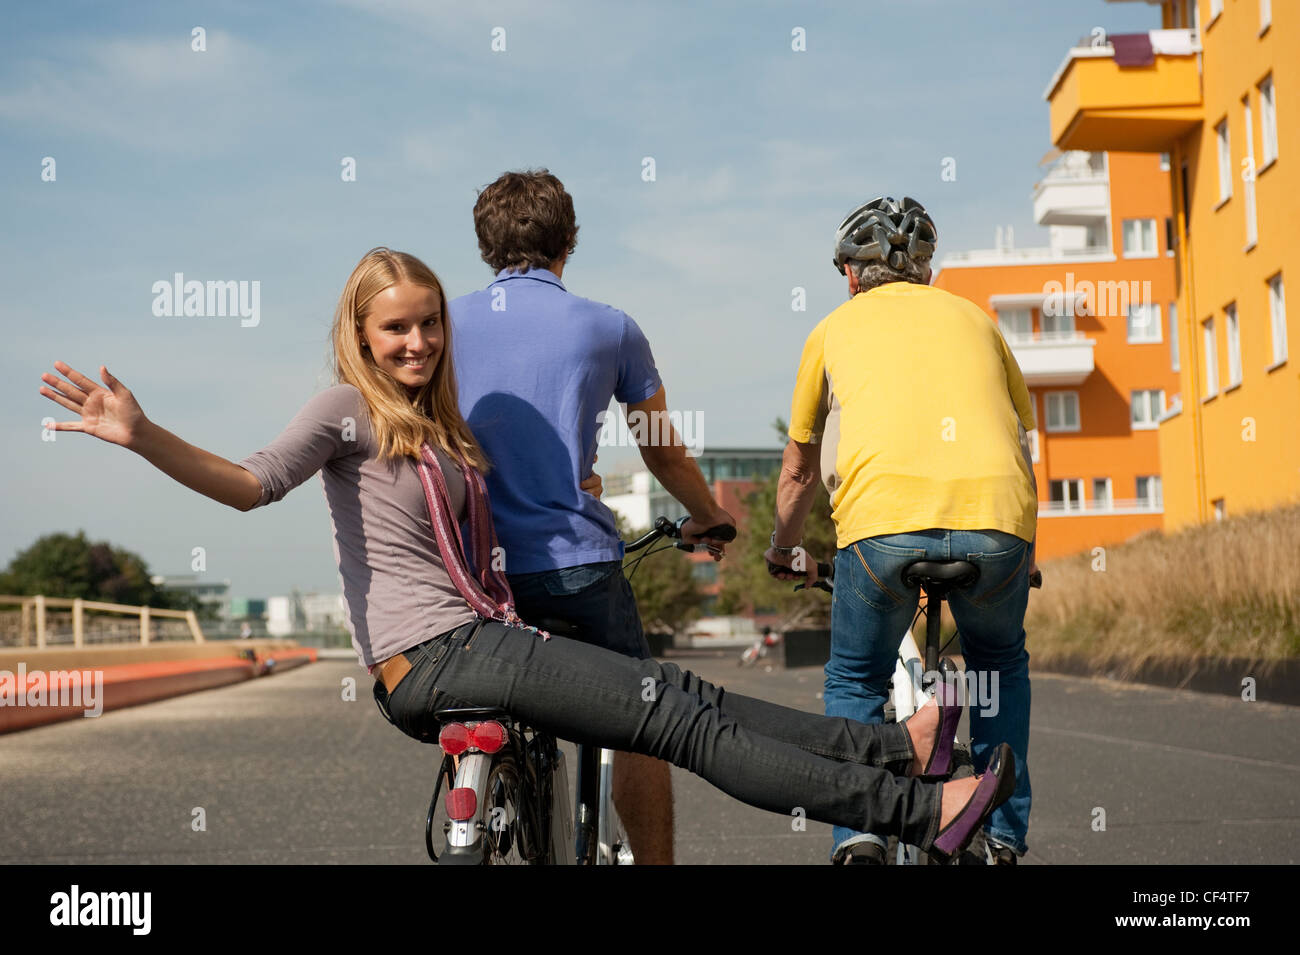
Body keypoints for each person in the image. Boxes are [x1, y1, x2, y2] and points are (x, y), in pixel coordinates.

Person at [37, 246, 1016, 864]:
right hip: (438, 656)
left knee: (685, 697)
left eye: (429, 322)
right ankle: (918, 811)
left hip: (478, 640)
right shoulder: (344, 411)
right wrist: (143, 433)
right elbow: (250, 483)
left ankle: (897, 747)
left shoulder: (443, 426)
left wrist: (603, 504)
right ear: (361, 336)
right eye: (395, 327)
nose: (417, 341)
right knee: (674, 718)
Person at [449, 169, 732, 865]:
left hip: (474, 567)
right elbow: (661, 450)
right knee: (641, 721)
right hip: (576, 567)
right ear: (568, 240)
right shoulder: (610, 327)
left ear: (485, 244)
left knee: (476, 696)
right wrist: (708, 516)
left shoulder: (438, 326)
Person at [765, 197, 1038, 865]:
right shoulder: (978, 321)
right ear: (926, 271)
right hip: (997, 526)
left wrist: (783, 549)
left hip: (881, 531)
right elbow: (1023, 445)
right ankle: (1001, 838)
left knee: (856, 677)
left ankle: (859, 834)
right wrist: (1024, 550)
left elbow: (799, 469)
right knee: (998, 666)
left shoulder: (833, 328)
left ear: (851, 275)